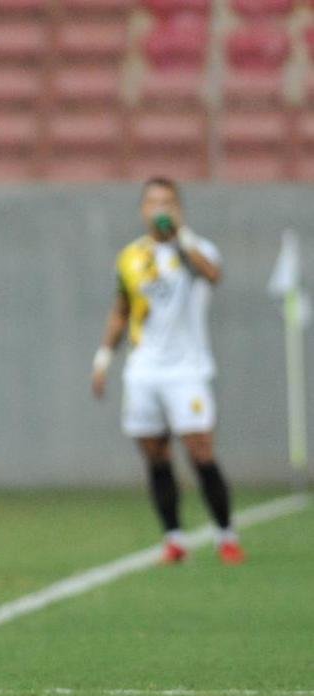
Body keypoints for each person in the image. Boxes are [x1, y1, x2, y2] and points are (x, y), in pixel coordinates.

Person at [91, 177, 244, 565]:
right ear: (143, 210)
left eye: (168, 203)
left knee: (199, 450)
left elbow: (212, 275)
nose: (160, 209)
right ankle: (174, 537)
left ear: (179, 209)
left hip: (187, 370)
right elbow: (121, 309)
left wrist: (182, 237)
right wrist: (104, 358)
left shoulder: (195, 249)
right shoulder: (130, 258)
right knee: (155, 454)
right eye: (154, 202)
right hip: (144, 370)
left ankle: (226, 534)